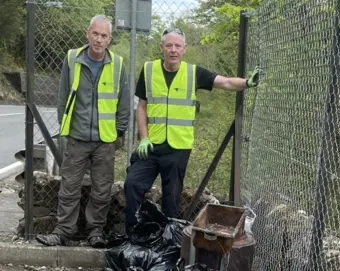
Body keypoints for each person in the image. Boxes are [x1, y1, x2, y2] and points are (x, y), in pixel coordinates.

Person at [123, 27, 260, 233]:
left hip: (178, 147)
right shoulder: (149, 70)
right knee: (132, 184)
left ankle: (166, 239)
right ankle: (133, 234)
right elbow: (141, 108)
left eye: (177, 46)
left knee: (172, 196)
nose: (173, 50)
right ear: (161, 47)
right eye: (169, 45)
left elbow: (225, 81)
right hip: (150, 145)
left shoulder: (193, 73)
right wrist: (143, 138)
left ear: (184, 49)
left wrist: (248, 83)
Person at [35, 15, 130, 248]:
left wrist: (118, 132)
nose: (99, 39)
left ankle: (95, 231)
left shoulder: (118, 64)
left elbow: (124, 103)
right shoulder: (72, 58)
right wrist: (64, 128)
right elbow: (63, 96)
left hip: (105, 139)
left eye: (104, 36)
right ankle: (63, 231)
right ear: (88, 34)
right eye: (95, 34)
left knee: (102, 188)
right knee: (69, 187)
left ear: (110, 39)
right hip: (76, 136)